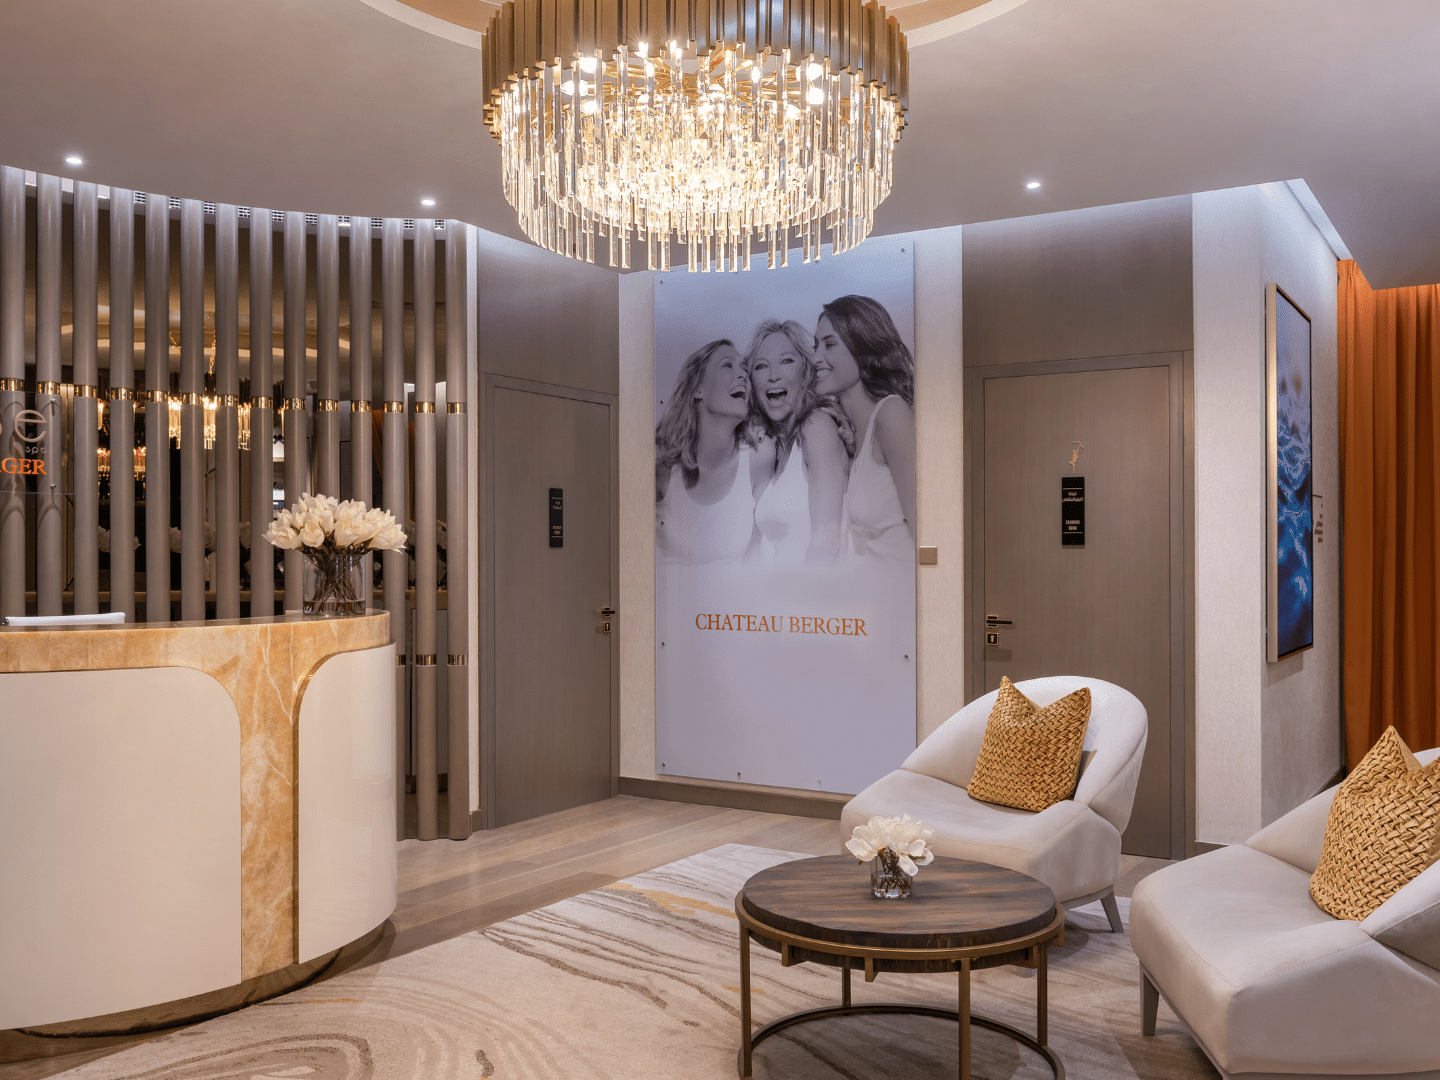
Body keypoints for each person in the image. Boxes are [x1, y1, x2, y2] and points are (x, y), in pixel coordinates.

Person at [813, 294, 917, 562]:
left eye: (829, 345)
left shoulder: (891, 415)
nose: (816, 358)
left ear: (861, 347)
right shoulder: (856, 436)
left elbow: (925, 531)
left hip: (899, 596)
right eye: (816, 346)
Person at [744, 319, 850, 566]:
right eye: (761, 366)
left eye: (786, 361)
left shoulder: (817, 427)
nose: (773, 376)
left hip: (809, 598)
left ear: (805, 374)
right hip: (777, 598)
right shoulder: (777, 449)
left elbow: (827, 543)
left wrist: (807, 601)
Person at [654, 340, 766, 566]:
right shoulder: (661, 467)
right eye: (727, 366)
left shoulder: (758, 458)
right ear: (698, 389)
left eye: (744, 368)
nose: (743, 375)